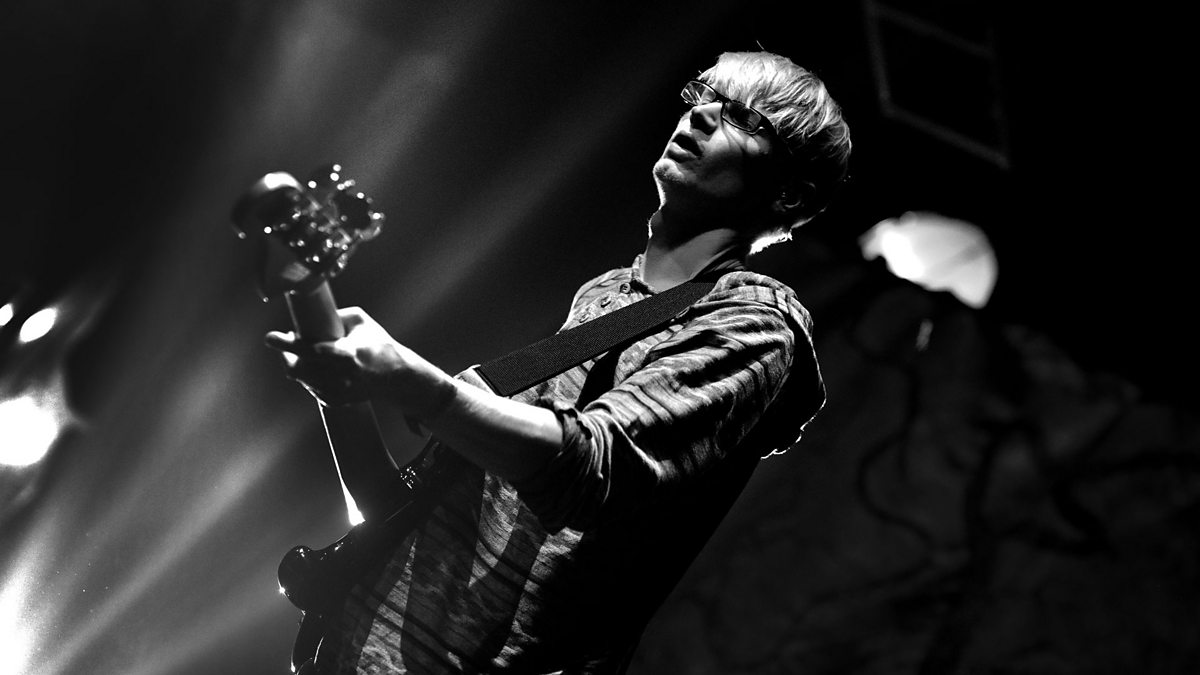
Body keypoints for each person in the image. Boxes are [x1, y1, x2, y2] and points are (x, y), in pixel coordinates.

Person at [265, 50, 851, 674]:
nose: (702, 114)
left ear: (789, 193)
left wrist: (420, 388)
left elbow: (590, 467)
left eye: (744, 117)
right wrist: (317, 320)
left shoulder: (756, 324)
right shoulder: (605, 297)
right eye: (704, 93)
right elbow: (395, 508)